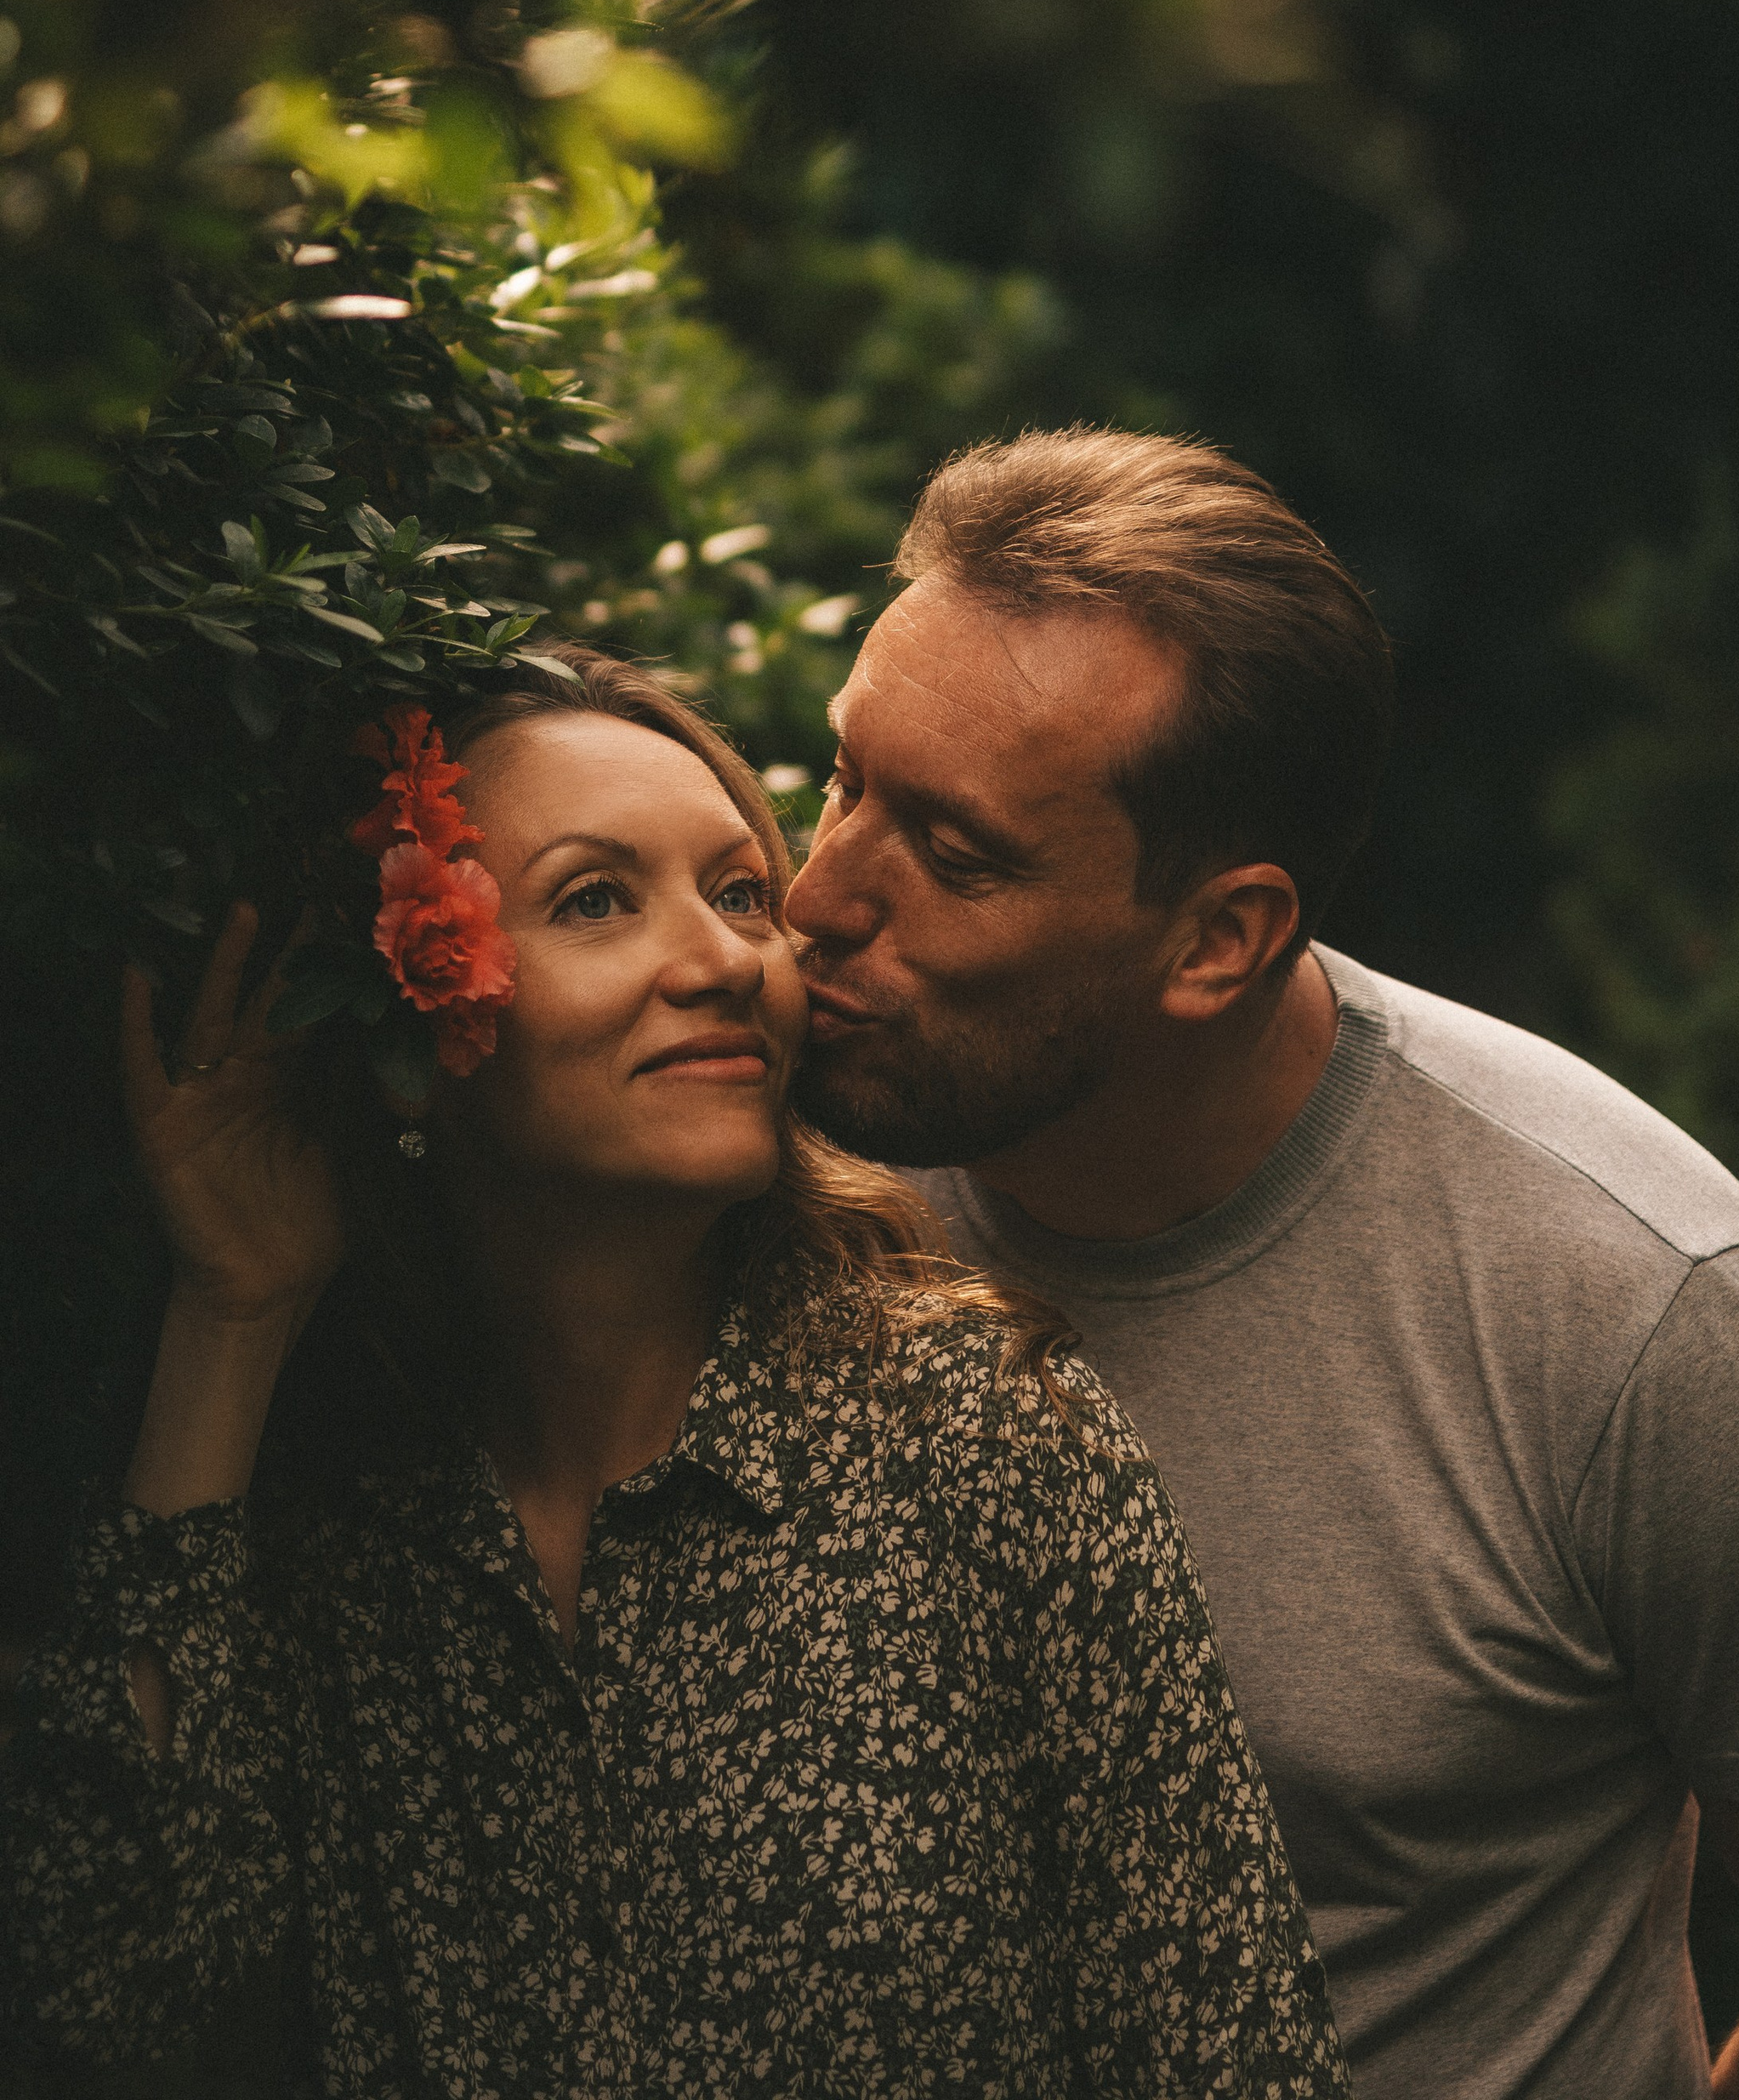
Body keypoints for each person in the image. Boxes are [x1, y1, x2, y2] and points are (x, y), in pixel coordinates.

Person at [782, 427, 1739, 2100]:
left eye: (953, 857)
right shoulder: (764, 1157)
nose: (813, 897)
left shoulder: (1637, 1307)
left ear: (1217, 940)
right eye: (840, 778)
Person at [3, 644, 1350, 2100]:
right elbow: (112, 2002)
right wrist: (234, 1316)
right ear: (413, 1001)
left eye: (738, 893)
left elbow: (1236, 2059)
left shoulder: (986, 1442)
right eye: (595, 900)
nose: (724, 961)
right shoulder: (313, 1500)